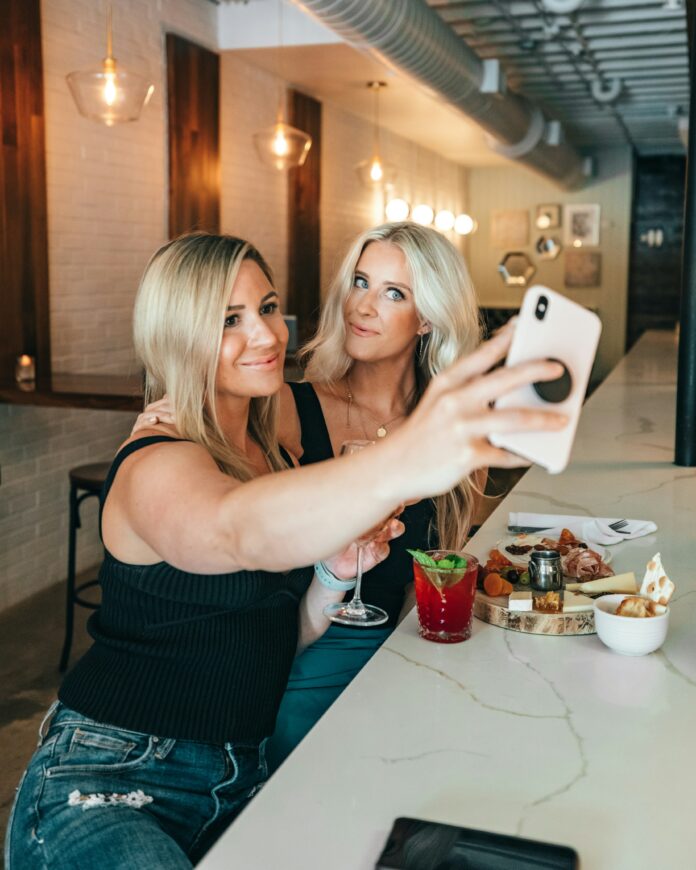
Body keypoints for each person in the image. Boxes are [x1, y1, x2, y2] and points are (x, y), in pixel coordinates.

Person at [129, 223, 550, 778]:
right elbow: (206, 455)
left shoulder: (442, 430)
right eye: (359, 281)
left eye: (393, 293)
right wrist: (174, 412)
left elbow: (440, 557)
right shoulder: (282, 406)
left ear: (427, 318)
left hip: (397, 647)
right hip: (301, 651)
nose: (364, 305)